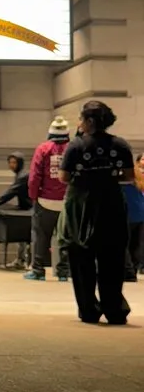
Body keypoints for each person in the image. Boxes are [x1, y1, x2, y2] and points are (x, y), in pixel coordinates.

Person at [59, 101, 135, 325]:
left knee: (82, 258)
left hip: (82, 205)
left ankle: (89, 309)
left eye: (81, 119)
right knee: (112, 258)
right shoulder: (120, 145)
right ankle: (114, 309)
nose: (79, 123)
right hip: (112, 204)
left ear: (89, 121)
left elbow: (64, 177)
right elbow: (129, 176)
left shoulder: (75, 146)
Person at [25, 117, 71, 282]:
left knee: (41, 236)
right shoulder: (73, 148)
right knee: (66, 237)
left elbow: (35, 176)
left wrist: (33, 196)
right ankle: (64, 271)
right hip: (67, 201)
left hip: (45, 200)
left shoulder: (43, 149)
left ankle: (38, 270)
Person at [0, 153, 32, 269]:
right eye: (10, 162)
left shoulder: (22, 176)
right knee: (23, 236)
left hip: (30, 209)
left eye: (14, 162)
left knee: (26, 236)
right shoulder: (20, 175)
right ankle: (21, 260)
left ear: (20, 163)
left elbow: (11, 192)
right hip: (26, 209)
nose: (11, 165)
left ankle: (26, 261)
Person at [122, 153, 144, 282]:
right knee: (136, 245)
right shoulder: (139, 175)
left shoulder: (122, 175)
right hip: (140, 213)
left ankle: (128, 272)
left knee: (124, 244)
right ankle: (133, 270)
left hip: (127, 213)